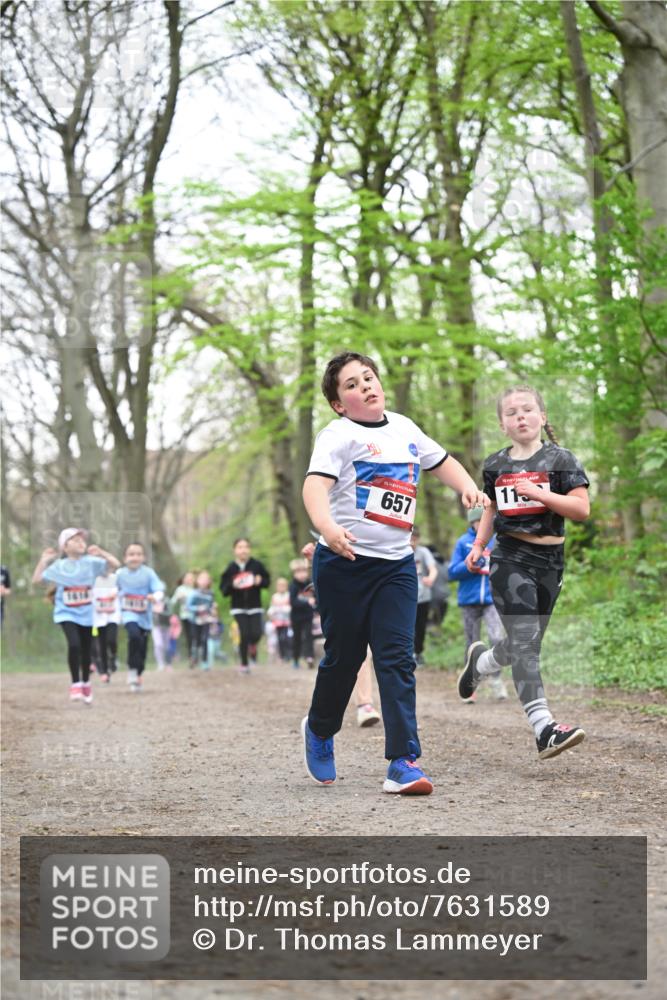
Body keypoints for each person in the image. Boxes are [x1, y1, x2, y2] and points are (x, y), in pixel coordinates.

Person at [301, 351, 488, 794]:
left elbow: (443, 462)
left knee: (397, 658)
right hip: (343, 563)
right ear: (339, 404)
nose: (365, 386)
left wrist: (467, 488)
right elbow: (314, 485)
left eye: (368, 377)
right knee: (344, 658)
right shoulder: (338, 435)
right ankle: (320, 729)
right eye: (351, 384)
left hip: (396, 567)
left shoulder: (404, 428)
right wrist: (328, 529)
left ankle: (403, 761)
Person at [460, 386, 590, 759]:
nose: (520, 416)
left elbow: (581, 509)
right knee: (526, 641)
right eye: (511, 412)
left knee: (523, 644)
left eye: (528, 409)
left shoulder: (561, 459)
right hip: (510, 558)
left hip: (551, 563)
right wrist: (479, 546)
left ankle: (481, 664)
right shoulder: (495, 464)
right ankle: (544, 728)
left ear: (542, 417)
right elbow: (489, 510)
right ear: (503, 424)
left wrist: (541, 494)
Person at [32, 528, 120, 703]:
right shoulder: (59, 566)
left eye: (82, 540)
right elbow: (37, 580)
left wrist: (101, 552)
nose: (81, 542)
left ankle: (86, 682)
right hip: (66, 612)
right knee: (74, 645)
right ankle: (75, 684)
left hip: (87, 613)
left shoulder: (91, 562)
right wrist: (43, 561)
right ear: (65, 546)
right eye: (75, 539)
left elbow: (115, 564)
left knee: (87, 649)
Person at [448, 508, 508, 701]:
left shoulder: (498, 541)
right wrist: (470, 566)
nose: (483, 525)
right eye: (479, 522)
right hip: (469, 601)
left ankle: (497, 681)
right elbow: (451, 572)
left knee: (496, 637)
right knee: (471, 643)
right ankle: (470, 686)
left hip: (492, 600)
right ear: (473, 523)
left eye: (487, 521)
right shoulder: (463, 542)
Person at [117, 542, 166, 693]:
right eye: (131, 554)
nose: (135, 557)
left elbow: (159, 589)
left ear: (143, 557)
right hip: (128, 613)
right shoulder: (120, 574)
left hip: (145, 616)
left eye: (138, 554)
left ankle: (138, 672)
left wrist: (155, 596)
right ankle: (132, 669)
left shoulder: (148, 573)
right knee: (134, 635)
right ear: (125, 558)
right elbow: (111, 588)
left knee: (143, 647)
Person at [219, 538, 270, 674]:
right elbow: (223, 589)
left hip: (255, 606)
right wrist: (232, 585)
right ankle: (244, 663)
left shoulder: (256, 565)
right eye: (240, 547)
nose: (243, 550)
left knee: (256, 633)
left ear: (249, 549)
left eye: (246, 547)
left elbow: (267, 581)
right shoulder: (231, 568)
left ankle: (252, 646)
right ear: (234, 550)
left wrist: (260, 581)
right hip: (238, 607)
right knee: (244, 634)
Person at [410, 527, 437, 667]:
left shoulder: (423, 552)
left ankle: (418, 653)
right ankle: (407, 653)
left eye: (415, 539)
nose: (412, 542)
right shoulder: (401, 551)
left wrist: (431, 578)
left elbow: (433, 568)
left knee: (420, 626)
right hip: (406, 597)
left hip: (423, 596)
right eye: (410, 538)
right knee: (407, 626)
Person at [92, 568, 121, 683]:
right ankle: (104, 671)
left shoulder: (115, 578)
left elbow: (121, 589)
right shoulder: (93, 580)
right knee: (101, 644)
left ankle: (113, 657)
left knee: (111, 640)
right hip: (98, 618)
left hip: (113, 616)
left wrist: (116, 593)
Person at [289, 558, 315, 670]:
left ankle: (310, 657)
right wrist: (306, 602)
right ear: (294, 573)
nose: (301, 574)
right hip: (296, 617)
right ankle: (295, 659)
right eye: (298, 572)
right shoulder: (293, 586)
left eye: (303, 571)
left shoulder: (310, 584)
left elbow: (316, 598)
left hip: (308, 616)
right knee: (297, 638)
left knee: (309, 635)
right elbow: (293, 602)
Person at [186, 570, 215, 670]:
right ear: (197, 581)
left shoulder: (211, 593)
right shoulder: (193, 593)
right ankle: (194, 658)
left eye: (206, 579)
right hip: (194, 621)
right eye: (202, 579)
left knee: (205, 640)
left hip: (206, 620)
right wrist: (198, 608)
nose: (204, 581)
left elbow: (211, 606)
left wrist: (212, 613)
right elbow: (188, 606)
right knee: (196, 640)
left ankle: (205, 662)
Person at [169, 572, 195, 660]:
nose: (189, 579)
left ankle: (198, 653)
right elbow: (172, 602)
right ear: (183, 579)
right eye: (187, 578)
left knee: (197, 635)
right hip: (185, 615)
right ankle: (191, 655)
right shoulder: (180, 589)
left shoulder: (196, 589)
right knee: (190, 635)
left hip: (197, 616)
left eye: (191, 578)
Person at [267, 577, 292, 662]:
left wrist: (285, 609)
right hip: (277, 621)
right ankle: (282, 656)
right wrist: (271, 613)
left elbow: (290, 607)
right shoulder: (275, 597)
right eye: (280, 585)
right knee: (279, 639)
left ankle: (288, 654)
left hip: (286, 622)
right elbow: (272, 607)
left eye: (283, 585)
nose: (281, 587)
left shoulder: (288, 595)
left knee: (285, 638)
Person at [151, 595, 171, 671]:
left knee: (166, 646)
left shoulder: (166, 600)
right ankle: (160, 664)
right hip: (156, 626)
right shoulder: (151, 600)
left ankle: (168, 663)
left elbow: (170, 613)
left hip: (166, 626)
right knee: (158, 644)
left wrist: (161, 611)